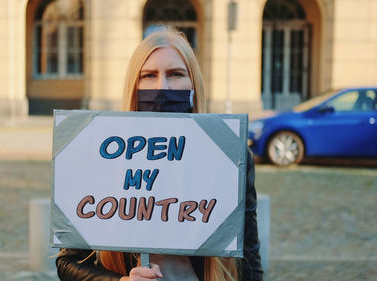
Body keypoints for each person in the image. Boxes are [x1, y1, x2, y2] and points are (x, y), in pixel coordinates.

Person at [56, 29, 263, 281]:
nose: (162, 87)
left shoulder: (230, 156)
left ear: (193, 85)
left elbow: (250, 261)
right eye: (149, 75)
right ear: (134, 85)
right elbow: (68, 262)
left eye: (175, 74)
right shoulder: (101, 153)